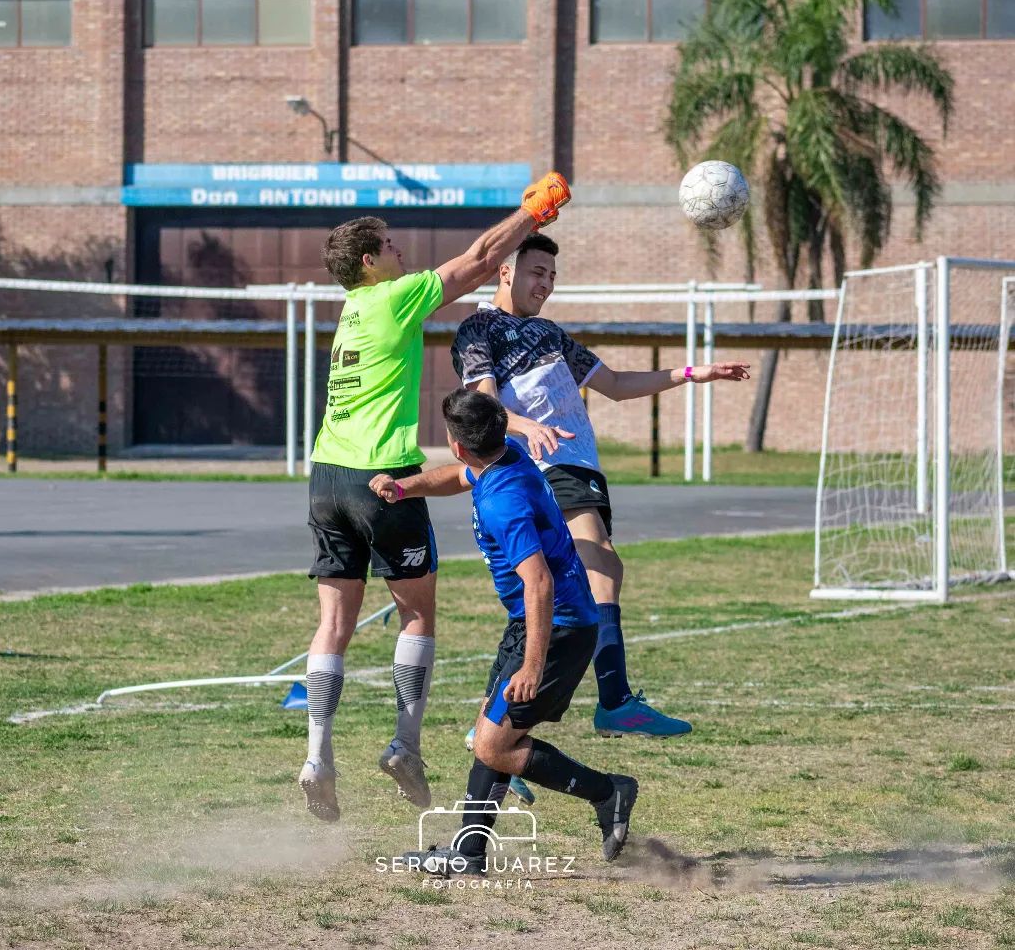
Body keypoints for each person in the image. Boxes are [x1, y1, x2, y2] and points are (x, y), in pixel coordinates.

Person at [298, 172, 572, 823]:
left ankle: (316, 759)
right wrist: (532, 213)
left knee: (333, 624)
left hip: (326, 476)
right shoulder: (392, 296)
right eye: (391, 246)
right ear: (370, 262)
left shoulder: (350, 311)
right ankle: (405, 744)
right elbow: (478, 260)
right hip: (381, 476)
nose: (401, 251)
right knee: (417, 614)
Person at [451, 232, 750, 748]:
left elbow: (613, 384)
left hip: (578, 465)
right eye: (535, 272)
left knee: (569, 589)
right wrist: (526, 426)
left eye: (552, 276)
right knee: (601, 568)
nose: (545, 284)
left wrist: (689, 374)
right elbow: (484, 405)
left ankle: (491, 730)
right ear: (505, 271)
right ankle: (614, 701)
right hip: (546, 465)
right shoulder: (480, 328)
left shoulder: (549, 333)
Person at [369, 389, 638, 873]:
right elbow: (459, 476)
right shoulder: (504, 454)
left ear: (457, 444)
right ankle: (469, 854)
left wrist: (532, 666)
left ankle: (608, 792)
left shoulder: (503, 502)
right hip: (536, 622)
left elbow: (539, 582)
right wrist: (405, 488)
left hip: (558, 626)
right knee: (490, 733)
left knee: (494, 744)